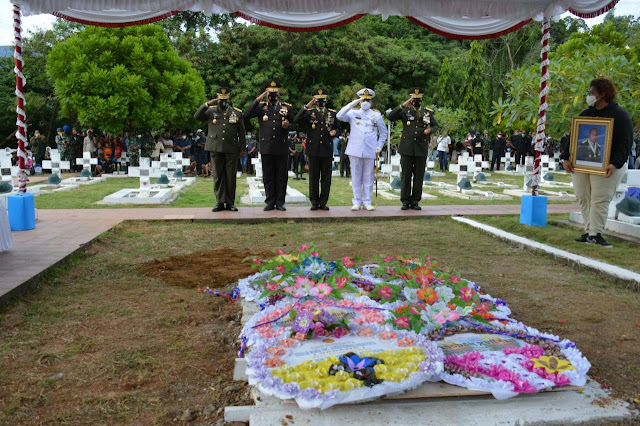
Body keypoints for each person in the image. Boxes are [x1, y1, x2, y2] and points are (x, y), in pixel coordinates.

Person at [561, 78, 633, 247]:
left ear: (603, 94)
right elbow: (572, 138)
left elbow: (625, 143)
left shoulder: (620, 116)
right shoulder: (586, 114)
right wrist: (565, 157)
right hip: (582, 164)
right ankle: (588, 232)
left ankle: (596, 234)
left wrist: (615, 163)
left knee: (600, 199)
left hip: (607, 166)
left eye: (592, 92)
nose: (589, 96)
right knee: (583, 197)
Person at [245, 80, 296, 211]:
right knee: (268, 176)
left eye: (275, 93)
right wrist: (259, 98)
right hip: (267, 147)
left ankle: (280, 202)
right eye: (270, 93)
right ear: (267, 94)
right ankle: (269, 201)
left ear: (279, 93)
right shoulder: (261, 107)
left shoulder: (286, 107)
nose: (272, 96)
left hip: (281, 147)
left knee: (281, 176)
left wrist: (288, 126)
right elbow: (247, 114)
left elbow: (295, 124)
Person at [194, 87, 246, 211]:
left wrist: (242, 149)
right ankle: (220, 202)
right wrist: (207, 104)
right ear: (217, 100)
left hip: (231, 148)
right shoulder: (210, 112)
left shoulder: (236, 113)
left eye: (225, 100)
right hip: (215, 147)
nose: (223, 102)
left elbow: (242, 133)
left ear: (229, 99)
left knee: (230, 176)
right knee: (218, 176)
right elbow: (197, 116)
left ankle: (230, 202)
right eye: (220, 100)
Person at [387, 87, 438, 210]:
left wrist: (430, 130)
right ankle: (405, 200)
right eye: (413, 99)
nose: (416, 101)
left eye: (418, 99)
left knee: (419, 175)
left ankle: (415, 201)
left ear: (422, 99)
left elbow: (436, 125)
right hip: (407, 148)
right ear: (411, 99)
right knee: (406, 175)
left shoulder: (427, 113)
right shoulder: (405, 111)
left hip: (421, 148)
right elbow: (390, 117)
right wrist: (403, 105)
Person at [337, 88, 387, 211]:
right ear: (359, 101)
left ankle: (367, 201)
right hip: (355, 149)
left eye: (367, 100)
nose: (365, 102)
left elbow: (384, 133)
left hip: (370, 150)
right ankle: (356, 201)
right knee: (356, 177)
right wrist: (353, 102)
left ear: (371, 102)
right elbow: (339, 115)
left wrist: (379, 146)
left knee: (368, 177)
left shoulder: (376, 115)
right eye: (363, 99)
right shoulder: (353, 113)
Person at [295, 88, 342, 210]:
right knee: (314, 177)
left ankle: (323, 202)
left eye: (322, 101)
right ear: (315, 101)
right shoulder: (309, 112)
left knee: (326, 178)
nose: (320, 103)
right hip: (313, 149)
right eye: (317, 101)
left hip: (326, 149)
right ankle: (314, 202)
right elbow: (296, 120)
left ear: (325, 101)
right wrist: (307, 105)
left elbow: (339, 129)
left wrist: (335, 132)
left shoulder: (332, 113)